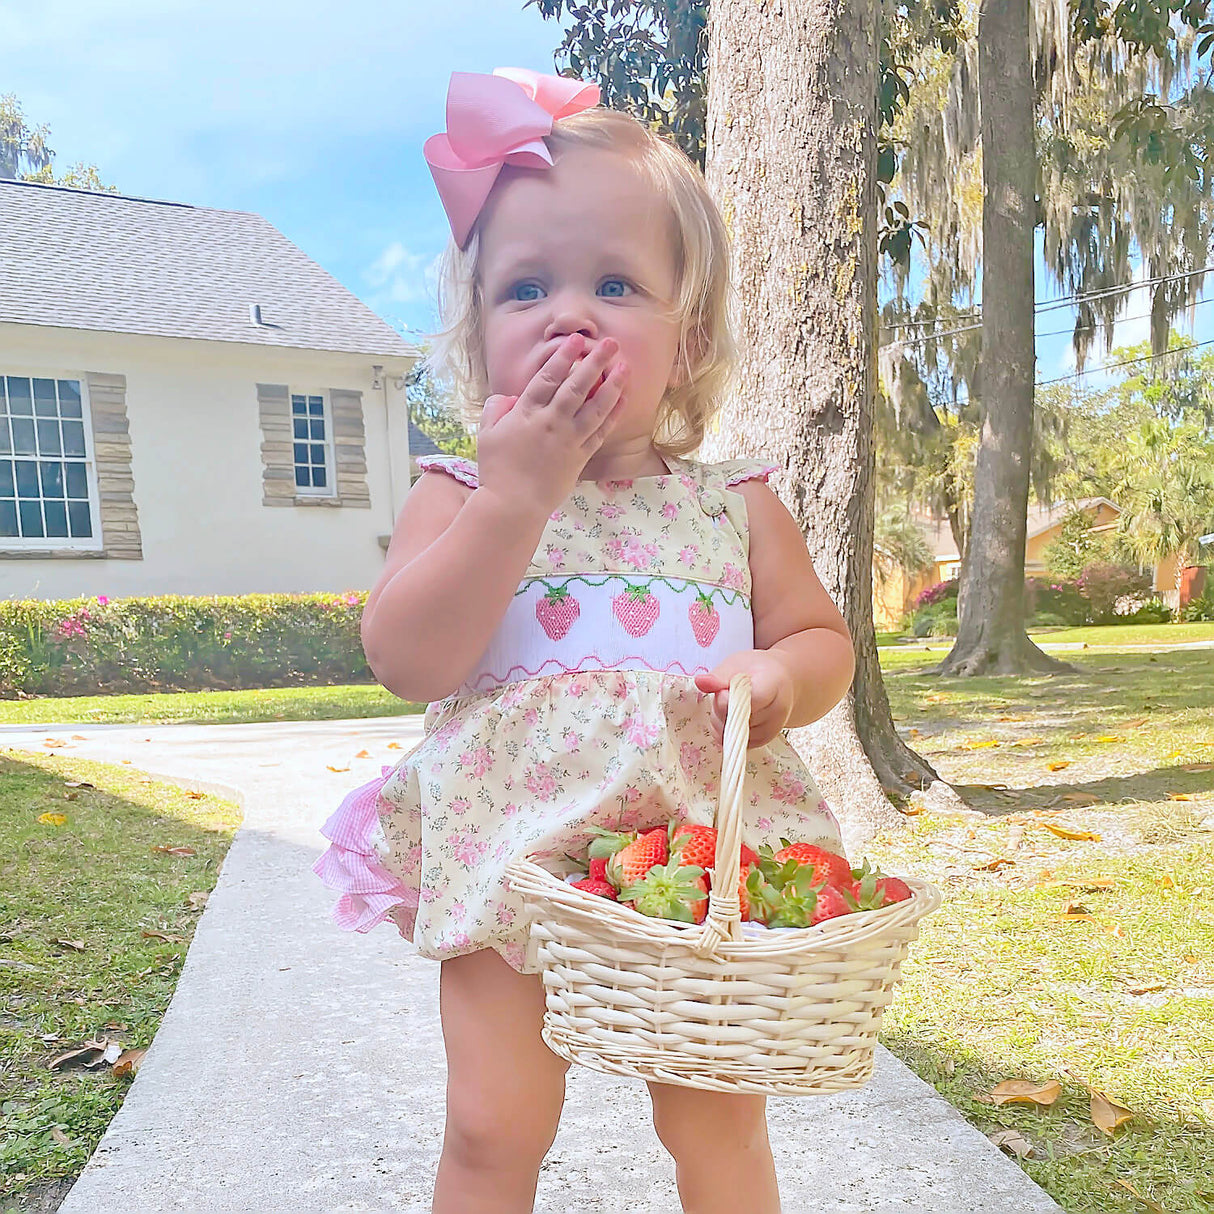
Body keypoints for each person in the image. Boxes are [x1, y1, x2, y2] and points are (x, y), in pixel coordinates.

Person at [314, 67, 856, 1214]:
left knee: (716, 1124)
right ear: (477, 334)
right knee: (490, 1122)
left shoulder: (733, 503)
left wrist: (777, 677)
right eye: (525, 289)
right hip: (512, 848)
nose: (568, 314)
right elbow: (408, 657)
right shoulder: (461, 491)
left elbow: (820, 637)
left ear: (686, 332)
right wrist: (516, 496)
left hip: (689, 869)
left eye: (614, 282)